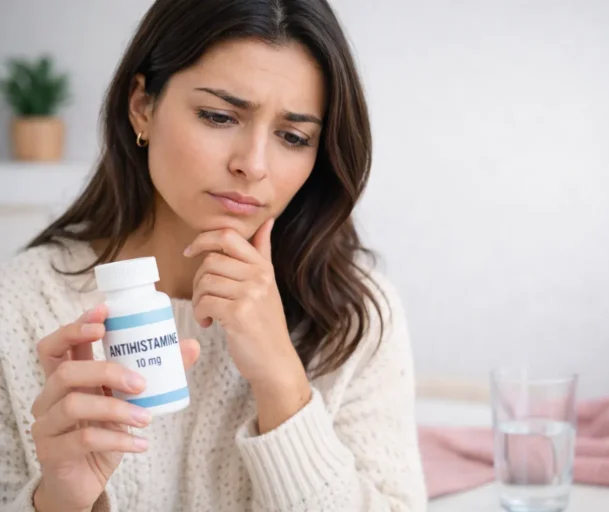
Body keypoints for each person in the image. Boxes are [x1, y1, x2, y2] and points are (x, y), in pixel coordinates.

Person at [0, 1, 427, 510]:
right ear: (142, 106)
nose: (252, 164)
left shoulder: (355, 313)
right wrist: (61, 499)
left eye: (293, 136)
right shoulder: (20, 305)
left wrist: (281, 380)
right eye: (219, 116)